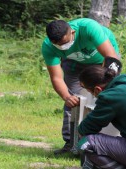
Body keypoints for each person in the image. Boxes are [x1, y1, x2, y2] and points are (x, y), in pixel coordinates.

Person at [41, 18, 120, 155]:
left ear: (72, 32)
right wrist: (67, 97)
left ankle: (112, 141)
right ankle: (70, 143)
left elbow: (111, 57)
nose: (62, 46)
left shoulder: (88, 28)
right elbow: (56, 77)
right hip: (74, 64)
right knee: (72, 100)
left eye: (65, 43)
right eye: (58, 44)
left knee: (110, 97)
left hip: (104, 61)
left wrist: (104, 83)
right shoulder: (48, 46)